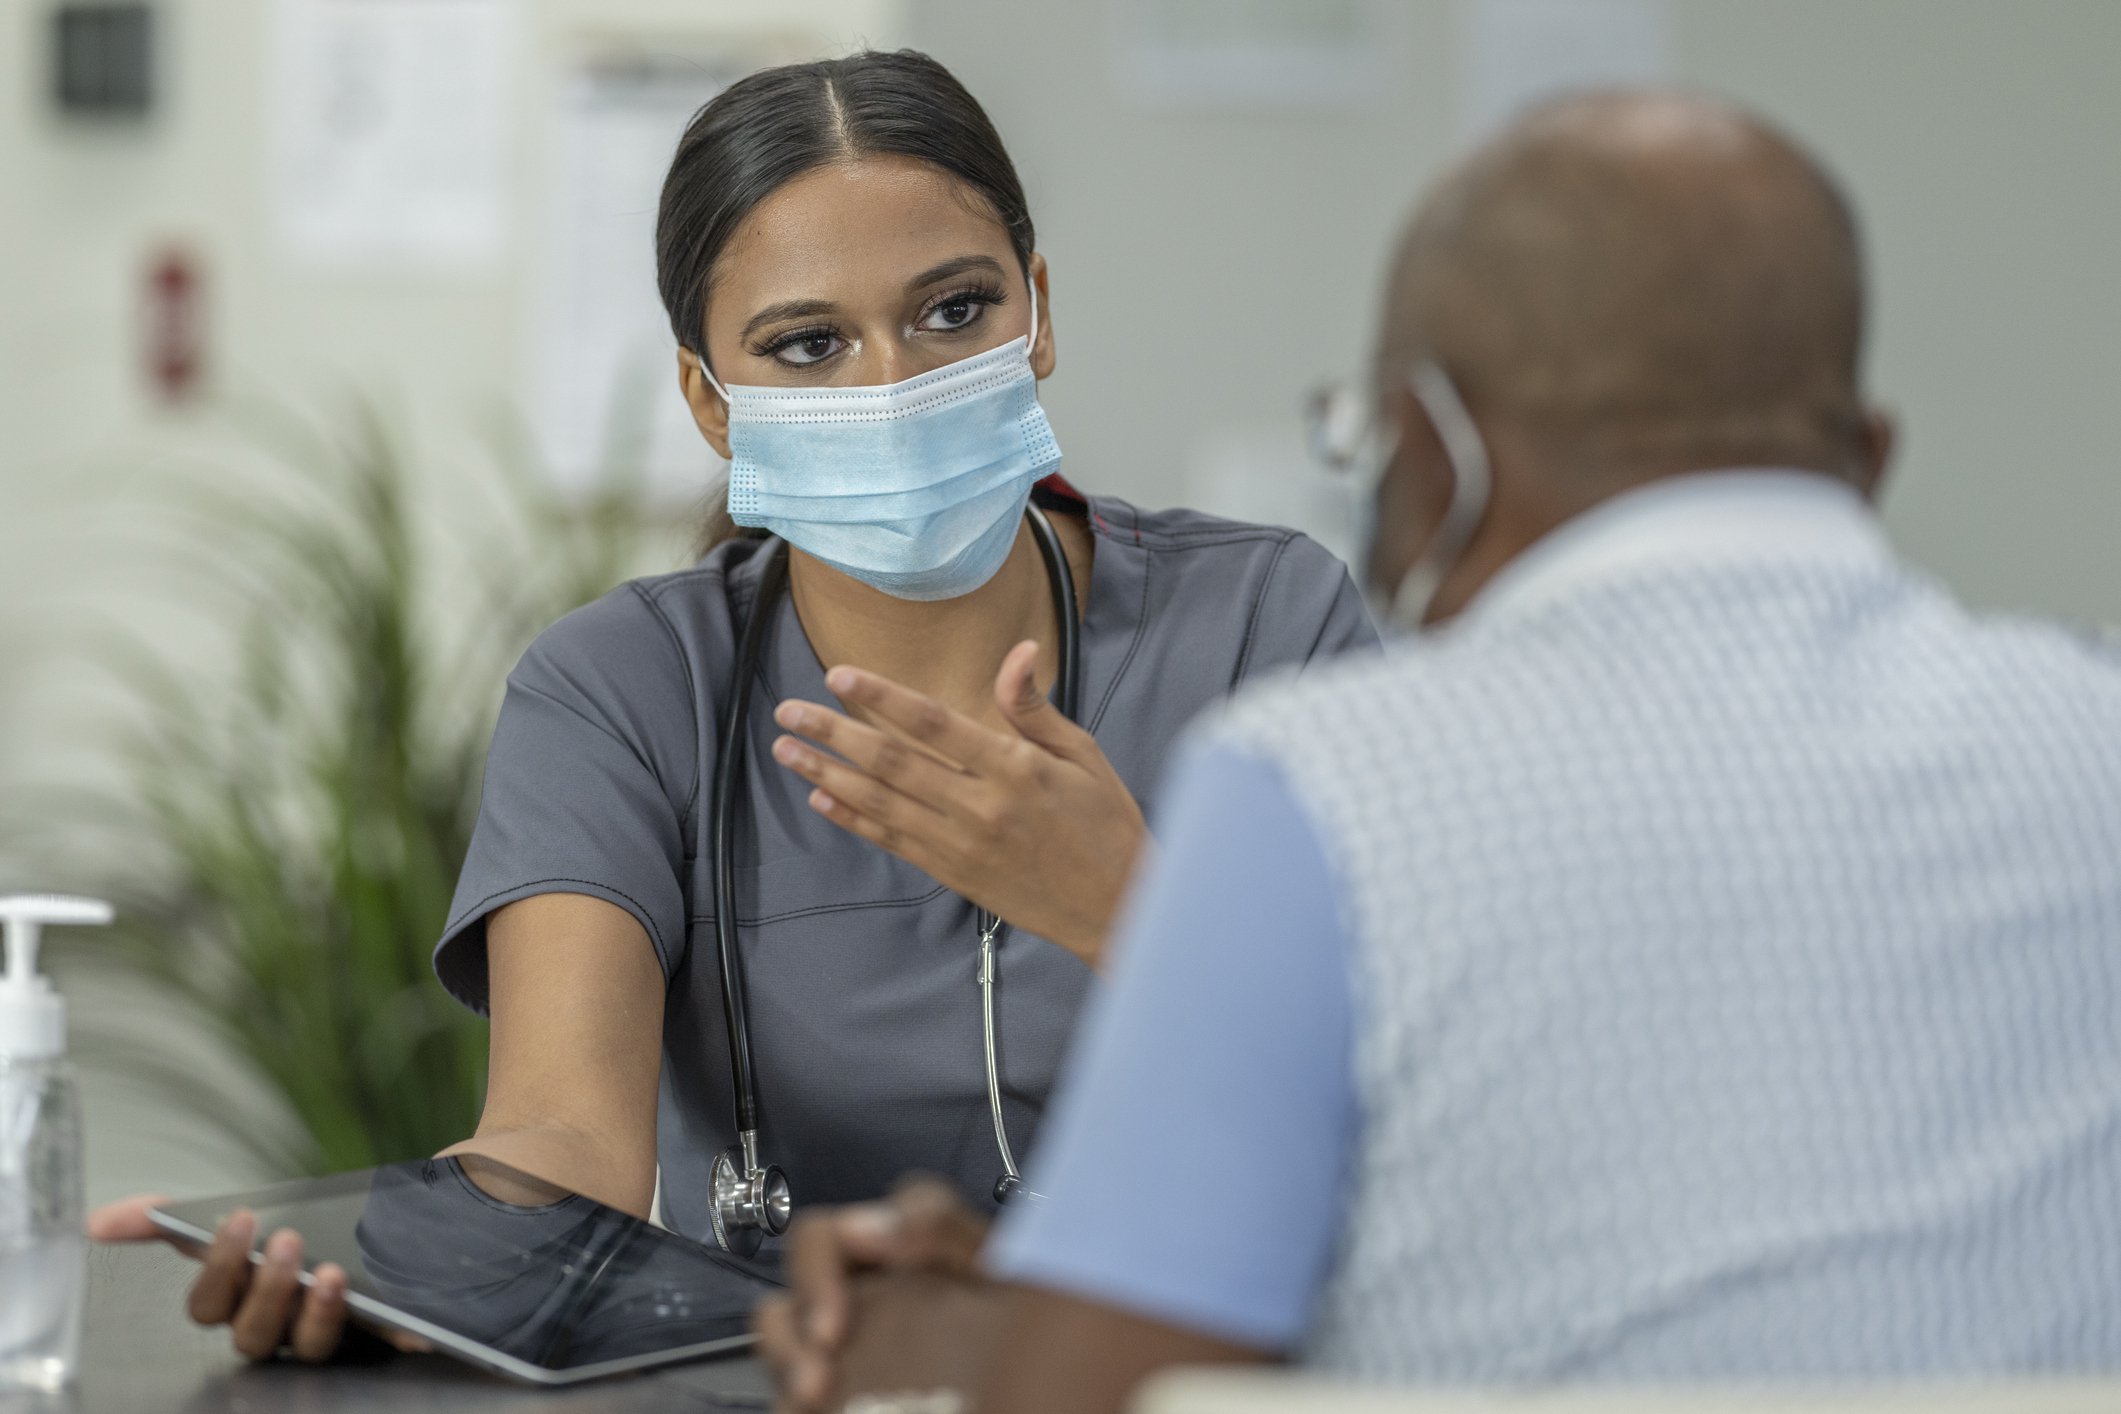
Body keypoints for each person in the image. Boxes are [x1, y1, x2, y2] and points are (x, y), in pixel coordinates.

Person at [756, 89, 2121, 1413]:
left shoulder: (1320, 790)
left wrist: (967, 1339)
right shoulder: (2091, 735)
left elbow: (1105, 1399)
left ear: (1428, 453)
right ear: (1866, 456)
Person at [87, 48, 1374, 1360]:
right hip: (789, 1382)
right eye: (807, 346)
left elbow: (1424, 1070)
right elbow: (565, 1135)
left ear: (1035, 312)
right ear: (710, 398)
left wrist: (1132, 909)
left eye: (952, 311)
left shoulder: (1268, 624)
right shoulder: (620, 690)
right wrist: (404, 1274)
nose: (889, 383)